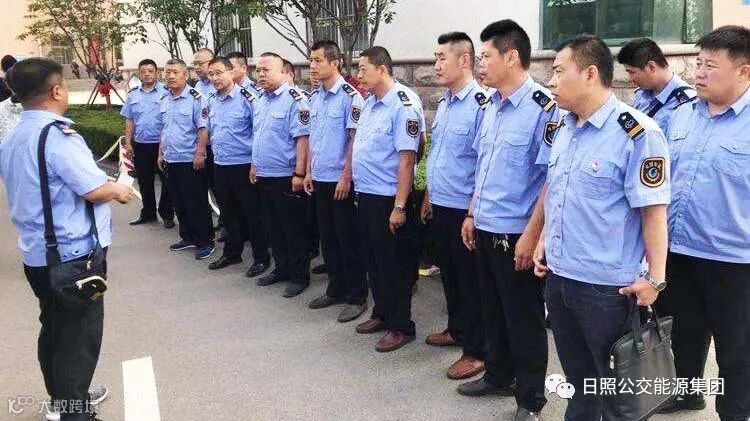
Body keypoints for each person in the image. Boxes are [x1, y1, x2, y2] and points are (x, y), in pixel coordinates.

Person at [533, 35, 670, 421]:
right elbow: (558, 191)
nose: (551, 81)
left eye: (559, 72)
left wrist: (655, 279)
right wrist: (543, 240)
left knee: (616, 394)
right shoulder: (563, 127)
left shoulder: (637, 134)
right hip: (561, 279)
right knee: (580, 384)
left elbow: (653, 212)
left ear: (590, 74)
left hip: (607, 289)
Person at [0, 58, 134, 421]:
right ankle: (75, 412)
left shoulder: (12, 138)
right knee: (78, 340)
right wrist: (119, 190)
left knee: (55, 330)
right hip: (73, 257)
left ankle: (64, 403)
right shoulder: (58, 137)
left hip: (37, 255)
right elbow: (93, 189)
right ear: (57, 91)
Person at [456, 21, 557, 421]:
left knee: (523, 317)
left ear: (511, 56)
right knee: (492, 308)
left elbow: (549, 181)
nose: (480, 63)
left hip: (517, 232)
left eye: (486, 56)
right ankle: (498, 374)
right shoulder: (490, 106)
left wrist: (533, 236)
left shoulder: (543, 109)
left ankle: (530, 398)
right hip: (484, 225)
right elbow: (483, 168)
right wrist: (471, 213)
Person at [655, 25, 750, 420]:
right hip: (679, 249)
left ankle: (735, 412)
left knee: (736, 346)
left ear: (743, 71)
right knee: (684, 332)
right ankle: (688, 392)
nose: (699, 73)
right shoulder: (681, 115)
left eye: (711, 66)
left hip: (734, 259)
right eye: (698, 64)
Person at [421, 31, 487, 381]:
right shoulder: (446, 103)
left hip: (464, 209)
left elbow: (483, 164)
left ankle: (477, 351)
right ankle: (457, 329)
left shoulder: (481, 105)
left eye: (441, 58)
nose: (436, 65)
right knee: (449, 275)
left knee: (470, 281)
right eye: (435, 58)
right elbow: (439, 154)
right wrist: (429, 196)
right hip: (442, 204)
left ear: (464, 60)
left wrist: (472, 213)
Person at [352, 46, 424, 352]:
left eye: (363, 68)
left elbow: (407, 160)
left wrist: (399, 206)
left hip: (389, 199)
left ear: (382, 69)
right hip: (366, 195)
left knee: (394, 266)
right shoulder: (370, 103)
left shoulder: (403, 104)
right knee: (374, 262)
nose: (358, 75)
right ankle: (381, 313)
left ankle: (401, 325)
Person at [302, 40, 368, 323]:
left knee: (347, 239)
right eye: (311, 60)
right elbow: (313, 138)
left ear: (335, 62)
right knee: (328, 239)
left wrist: (346, 176)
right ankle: (335, 288)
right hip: (320, 178)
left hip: (341, 181)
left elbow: (354, 141)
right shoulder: (315, 97)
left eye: (318, 60)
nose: (313, 66)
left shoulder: (350, 97)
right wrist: (308, 172)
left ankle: (356, 296)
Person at [250, 52, 312, 298]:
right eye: (258, 70)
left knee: (293, 229)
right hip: (264, 174)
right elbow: (259, 136)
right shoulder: (260, 100)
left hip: (286, 176)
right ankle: (282, 268)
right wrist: (254, 165)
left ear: (284, 72)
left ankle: (299, 276)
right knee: (273, 227)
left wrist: (299, 173)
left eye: (266, 70)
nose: (261, 74)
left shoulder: (295, 100)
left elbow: (303, 140)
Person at [203, 56, 271, 276]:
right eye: (211, 74)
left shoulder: (248, 99)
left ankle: (261, 257)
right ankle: (232, 253)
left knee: (252, 213)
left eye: (219, 73)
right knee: (228, 212)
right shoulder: (211, 100)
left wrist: (255, 163)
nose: (215, 78)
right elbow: (209, 131)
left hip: (244, 165)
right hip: (220, 164)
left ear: (231, 73)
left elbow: (259, 132)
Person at [157, 58, 215, 260]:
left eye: (175, 72)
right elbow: (164, 129)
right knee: (179, 201)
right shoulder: (165, 98)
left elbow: (203, 128)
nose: (171, 76)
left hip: (190, 159)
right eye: (167, 72)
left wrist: (200, 153)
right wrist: (161, 153)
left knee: (196, 202)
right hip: (171, 159)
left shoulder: (196, 98)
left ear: (185, 75)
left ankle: (205, 241)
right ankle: (188, 236)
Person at [121, 58, 174, 228]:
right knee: (144, 182)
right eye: (143, 71)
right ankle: (148, 213)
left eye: (150, 71)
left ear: (156, 73)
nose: (147, 74)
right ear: (139, 73)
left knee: (167, 182)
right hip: (141, 145)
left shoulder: (166, 92)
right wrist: (128, 143)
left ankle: (167, 214)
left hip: (162, 145)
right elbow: (129, 119)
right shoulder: (133, 94)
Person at [617, 37, 696, 133]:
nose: (630, 79)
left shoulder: (688, 103)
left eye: (632, 72)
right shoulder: (641, 95)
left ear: (651, 67)